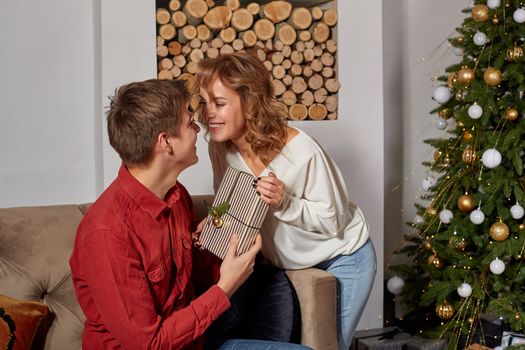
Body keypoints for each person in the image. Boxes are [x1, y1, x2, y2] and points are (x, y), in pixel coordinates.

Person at [69, 78, 311, 350]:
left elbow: (188, 283)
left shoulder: (175, 195)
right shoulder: (107, 234)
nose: (198, 128)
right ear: (165, 142)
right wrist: (226, 287)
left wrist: (213, 242)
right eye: (189, 122)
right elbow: (150, 344)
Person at [197, 52, 377, 350]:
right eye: (204, 102)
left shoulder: (302, 151)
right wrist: (215, 220)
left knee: (331, 346)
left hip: (343, 256)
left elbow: (334, 221)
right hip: (290, 265)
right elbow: (228, 198)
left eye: (219, 103)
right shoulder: (221, 149)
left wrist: (285, 202)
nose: (207, 113)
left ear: (250, 102)